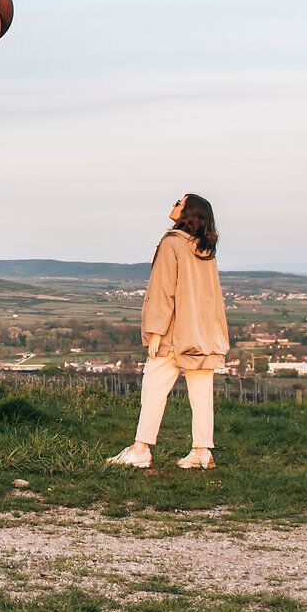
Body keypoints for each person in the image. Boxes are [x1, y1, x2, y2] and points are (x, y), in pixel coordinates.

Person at [108, 193, 228, 470]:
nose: (173, 205)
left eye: (179, 203)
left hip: (175, 332)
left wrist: (156, 332)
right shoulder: (205, 248)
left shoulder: (172, 243)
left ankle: (140, 449)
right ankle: (201, 451)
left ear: (188, 213)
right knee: (201, 393)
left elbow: (164, 291)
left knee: (153, 387)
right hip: (204, 332)